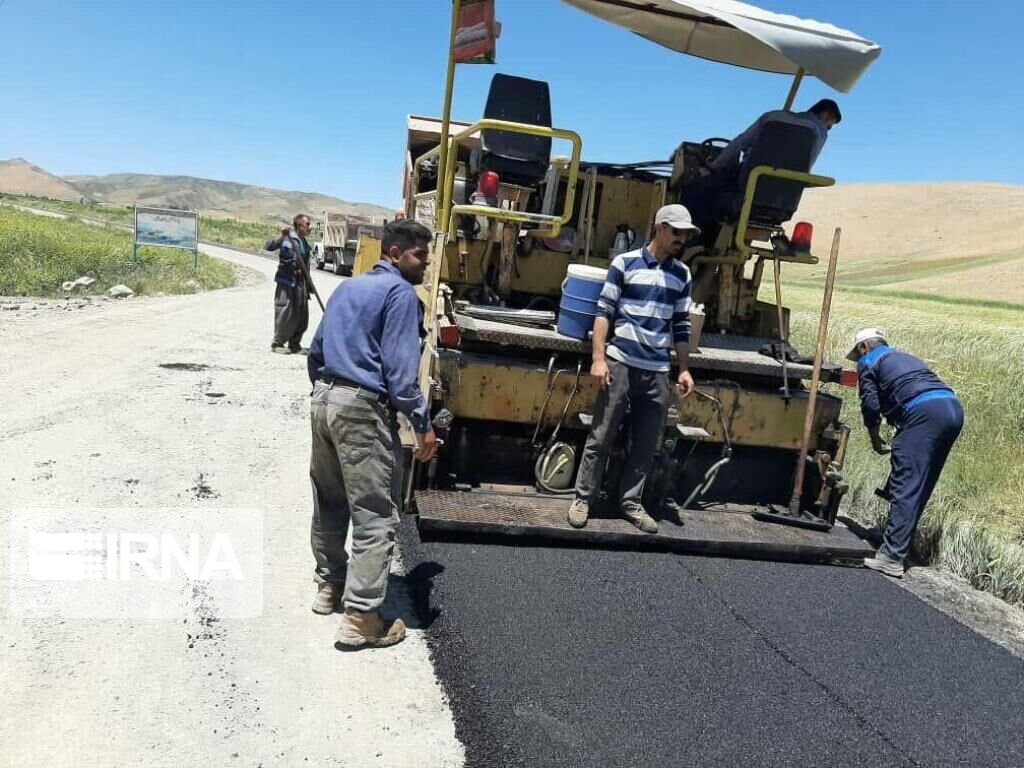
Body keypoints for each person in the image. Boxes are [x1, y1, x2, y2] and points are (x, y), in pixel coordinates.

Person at [305, 219, 437, 650]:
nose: (427, 263)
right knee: (374, 514)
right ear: (395, 254)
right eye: (420, 255)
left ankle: (331, 587)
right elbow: (401, 376)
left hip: (324, 400)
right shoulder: (400, 293)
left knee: (329, 500)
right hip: (361, 408)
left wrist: (329, 394)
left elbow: (317, 349)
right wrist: (422, 423)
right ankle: (362, 617)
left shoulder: (348, 288)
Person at [567, 204, 698, 533]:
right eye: (677, 232)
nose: (681, 239)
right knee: (602, 435)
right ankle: (584, 498)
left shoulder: (682, 275)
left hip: (656, 371)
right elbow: (603, 312)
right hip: (621, 363)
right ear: (659, 228)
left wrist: (683, 368)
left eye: (686, 234)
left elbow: (681, 325)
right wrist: (598, 359)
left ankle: (630, 503)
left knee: (646, 443)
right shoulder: (623, 264)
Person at [847, 328, 964, 578]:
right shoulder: (902, 356)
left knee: (906, 484)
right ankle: (896, 542)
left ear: (863, 347)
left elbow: (870, 404)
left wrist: (874, 435)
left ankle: (891, 557)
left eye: (856, 355)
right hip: (952, 409)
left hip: (924, 413)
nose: (857, 361)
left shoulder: (869, 360)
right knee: (920, 483)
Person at [708, 98, 842, 176]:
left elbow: (739, 143)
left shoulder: (772, 116)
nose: (827, 129)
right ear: (825, 116)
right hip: (783, 196)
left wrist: (714, 166)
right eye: (829, 126)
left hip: (747, 180)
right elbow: (806, 167)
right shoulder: (818, 131)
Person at [266, 214, 314, 354]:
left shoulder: (304, 243)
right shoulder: (287, 238)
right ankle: (277, 343)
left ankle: (295, 344)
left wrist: (309, 284)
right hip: (287, 281)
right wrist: (281, 236)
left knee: (302, 313)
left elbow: (306, 265)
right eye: (308, 224)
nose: (310, 227)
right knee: (284, 311)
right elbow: (269, 246)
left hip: (301, 282)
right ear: (300, 226)